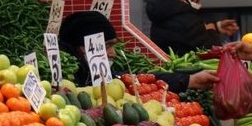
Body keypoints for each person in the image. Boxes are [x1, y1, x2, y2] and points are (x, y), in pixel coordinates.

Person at [58, 11, 219, 92]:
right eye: (107, 46)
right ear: (82, 48)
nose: (113, 53)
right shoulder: (66, 83)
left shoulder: (106, 76)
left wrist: (190, 80)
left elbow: (137, 79)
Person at [146, 0, 239, 55]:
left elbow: (193, 38)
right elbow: (214, 52)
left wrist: (216, 26)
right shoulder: (188, 19)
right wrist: (212, 30)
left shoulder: (163, 14)